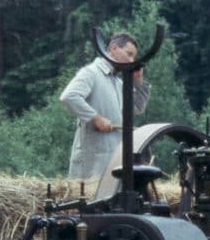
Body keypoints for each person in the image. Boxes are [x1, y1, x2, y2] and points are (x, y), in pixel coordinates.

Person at [59, 32, 151, 179]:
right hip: (91, 165)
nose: (131, 60)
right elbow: (69, 96)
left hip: (113, 162)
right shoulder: (91, 73)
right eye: (129, 54)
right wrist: (95, 118)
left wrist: (138, 80)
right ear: (114, 48)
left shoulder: (118, 83)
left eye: (133, 56)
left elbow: (137, 108)